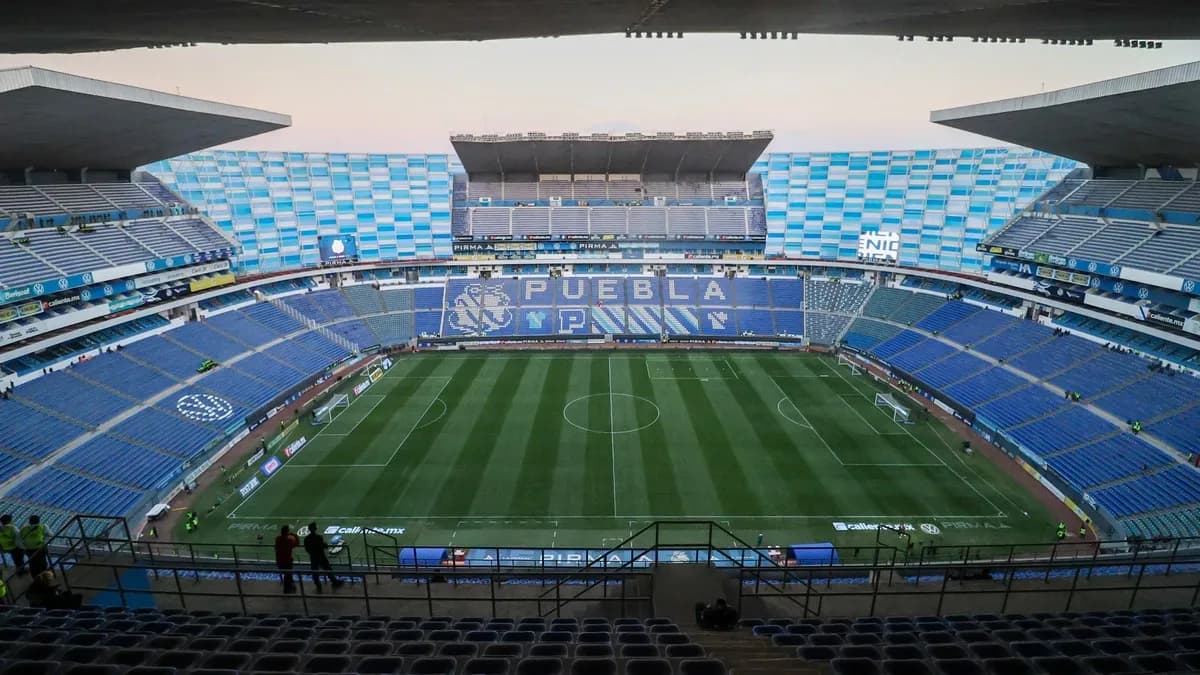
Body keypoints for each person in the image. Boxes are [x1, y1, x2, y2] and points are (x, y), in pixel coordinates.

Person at [303, 522, 342, 593]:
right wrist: (325, 545)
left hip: (313, 557)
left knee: (315, 571)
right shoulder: (319, 537)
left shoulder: (306, 539)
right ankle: (334, 581)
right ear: (315, 528)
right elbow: (324, 546)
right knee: (328, 569)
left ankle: (318, 584)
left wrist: (312, 553)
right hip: (321, 556)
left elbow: (307, 549)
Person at [274, 525, 299, 594]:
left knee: (287, 574)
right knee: (288, 574)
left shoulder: (277, 539)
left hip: (279, 560)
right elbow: (297, 543)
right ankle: (287, 588)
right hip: (287, 560)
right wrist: (295, 535)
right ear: (287, 532)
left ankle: (291, 585)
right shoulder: (289, 540)